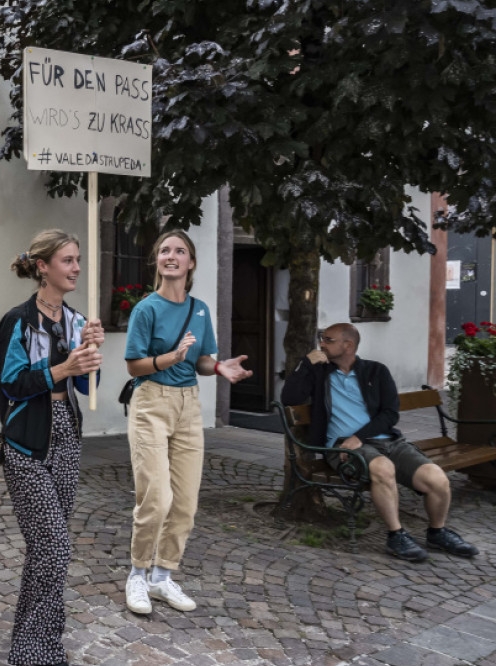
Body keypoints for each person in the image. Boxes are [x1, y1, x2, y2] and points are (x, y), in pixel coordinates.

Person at [123, 230, 252, 616]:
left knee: (185, 503)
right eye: (164, 250)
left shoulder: (200, 308)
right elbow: (133, 365)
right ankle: (137, 574)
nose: (171, 255)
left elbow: (199, 360)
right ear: (157, 261)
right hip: (152, 403)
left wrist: (218, 366)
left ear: (191, 263)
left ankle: (162, 576)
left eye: (180, 251)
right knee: (156, 498)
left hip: (189, 406)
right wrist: (169, 358)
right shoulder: (145, 309)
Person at [0, 230, 104, 666]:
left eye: (78, 260)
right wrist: (63, 365)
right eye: (67, 260)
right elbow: (12, 384)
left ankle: (36, 641)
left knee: (44, 549)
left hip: (66, 434)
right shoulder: (17, 321)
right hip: (27, 441)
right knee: (54, 545)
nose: (76, 268)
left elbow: (85, 385)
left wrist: (93, 352)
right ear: (43, 267)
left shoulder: (76, 321)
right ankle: (36, 650)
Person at [281, 323, 478, 561]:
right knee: (382, 468)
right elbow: (289, 398)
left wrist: (359, 437)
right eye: (322, 339)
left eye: (328, 339)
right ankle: (396, 535)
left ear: (348, 345)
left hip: (386, 442)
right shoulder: (319, 373)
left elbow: (390, 414)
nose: (322, 343)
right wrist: (305, 363)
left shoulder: (376, 371)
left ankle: (437, 532)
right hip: (340, 447)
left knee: (436, 478)